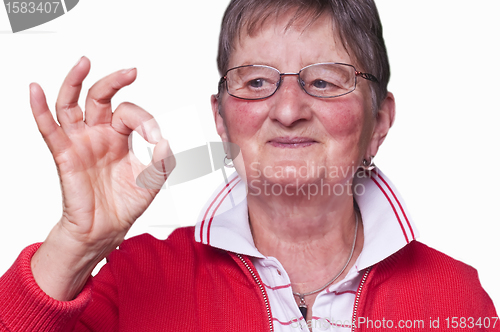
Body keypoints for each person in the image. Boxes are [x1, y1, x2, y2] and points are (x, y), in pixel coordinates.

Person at [0, 0, 497, 331]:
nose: (286, 110)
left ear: (380, 120)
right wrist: (74, 244)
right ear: (221, 118)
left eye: (323, 82)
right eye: (256, 82)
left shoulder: (457, 300)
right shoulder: (137, 279)